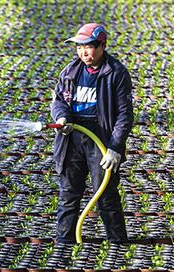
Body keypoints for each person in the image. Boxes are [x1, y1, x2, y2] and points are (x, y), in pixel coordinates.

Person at [50, 22, 133, 243]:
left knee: (105, 195)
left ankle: (118, 244)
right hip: (72, 138)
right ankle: (64, 242)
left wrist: (115, 147)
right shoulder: (70, 71)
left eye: (88, 47)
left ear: (102, 45)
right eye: (79, 47)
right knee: (68, 194)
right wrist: (62, 118)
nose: (83, 52)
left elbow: (124, 115)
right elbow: (59, 101)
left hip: (101, 139)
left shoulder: (115, 73)